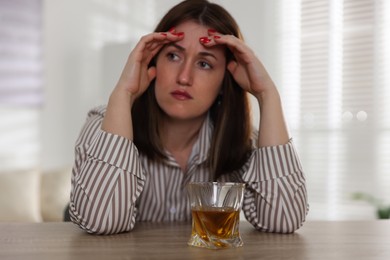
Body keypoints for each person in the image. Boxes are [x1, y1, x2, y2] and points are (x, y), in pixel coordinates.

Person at [69, 0, 308, 235]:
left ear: (225, 81)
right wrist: (124, 93)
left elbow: (284, 220)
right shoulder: (102, 126)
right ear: (153, 63)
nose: (184, 77)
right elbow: (101, 222)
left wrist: (267, 94)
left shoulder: (242, 141)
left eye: (204, 63)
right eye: (173, 56)